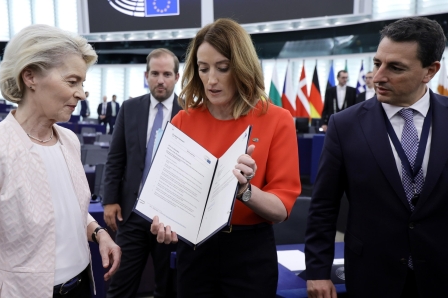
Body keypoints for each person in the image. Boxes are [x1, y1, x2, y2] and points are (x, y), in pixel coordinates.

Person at [0, 24, 121, 298]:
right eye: (72, 81)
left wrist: (98, 232)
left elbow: (64, 208)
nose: (81, 93)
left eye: (82, 83)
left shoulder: (69, 141)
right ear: (30, 77)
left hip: (81, 286)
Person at [150, 18, 301, 297]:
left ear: (242, 68)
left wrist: (244, 190)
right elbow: (168, 193)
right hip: (194, 251)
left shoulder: (277, 120)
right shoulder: (183, 120)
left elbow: (281, 210)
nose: (211, 80)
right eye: (203, 68)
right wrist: (163, 219)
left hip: (250, 254)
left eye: (222, 68)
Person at [305, 17, 448, 298]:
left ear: (430, 71)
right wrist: (317, 271)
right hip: (372, 274)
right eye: (377, 63)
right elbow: (323, 206)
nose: (379, 77)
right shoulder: (344, 125)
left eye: (395, 68)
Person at [103, 48, 181, 298]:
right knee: (120, 284)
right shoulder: (129, 108)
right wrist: (110, 200)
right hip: (132, 213)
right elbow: (116, 158)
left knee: (168, 287)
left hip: (171, 218)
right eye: (155, 73)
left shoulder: (191, 112)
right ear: (146, 75)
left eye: (167, 74)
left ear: (177, 77)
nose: (161, 80)